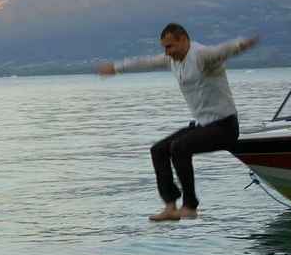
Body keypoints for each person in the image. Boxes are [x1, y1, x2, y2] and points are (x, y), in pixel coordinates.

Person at [98, 23, 259, 221]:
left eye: (170, 46)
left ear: (183, 40)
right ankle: (170, 206)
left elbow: (222, 51)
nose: (167, 52)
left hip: (224, 127)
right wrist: (116, 68)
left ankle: (190, 206)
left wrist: (242, 44)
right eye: (165, 47)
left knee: (179, 147)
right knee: (158, 149)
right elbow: (146, 62)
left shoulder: (201, 55)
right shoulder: (173, 60)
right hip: (204, 126)